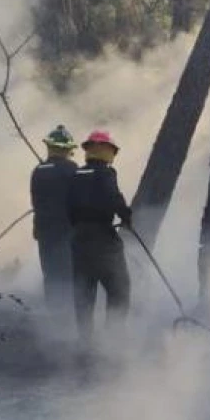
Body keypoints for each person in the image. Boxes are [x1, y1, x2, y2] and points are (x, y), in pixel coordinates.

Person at [68, 130, 132, 342]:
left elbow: (68, 207)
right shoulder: (106, 173)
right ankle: (113, 339)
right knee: (119, 289)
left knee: (84, 293)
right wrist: (126, 216)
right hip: (103, 239)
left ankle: (85, 340)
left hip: (78, 240)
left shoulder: (76, 174)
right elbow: (113, 196)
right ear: (106, 150)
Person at [30, 125, 79, 314]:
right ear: (67, 150)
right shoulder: (73, 169)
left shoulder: (39, 170)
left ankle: (54, 314)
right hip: (69, 230)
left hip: (45, 231)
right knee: (70, 274)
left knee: (51, 274)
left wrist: (37, 226)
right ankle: (71, 314)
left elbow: (36, 201)